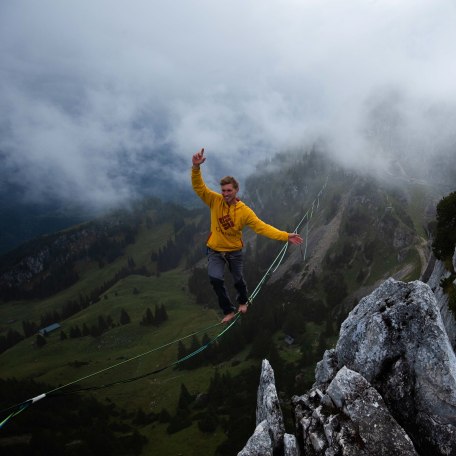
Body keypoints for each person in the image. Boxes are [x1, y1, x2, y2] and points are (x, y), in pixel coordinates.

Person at [191, 148, 303, 323]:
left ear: (236, 190)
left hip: (234, 250)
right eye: (223, 190)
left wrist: (285, 236)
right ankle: (228, 311)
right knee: (215, 279)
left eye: (229, 190)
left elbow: (262, 227)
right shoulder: (215, 200)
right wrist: (196, 168)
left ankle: (243, 301)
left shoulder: (244, 212)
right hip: (214, 249)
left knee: (238, 280)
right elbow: (199, 188)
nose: (225, 194)